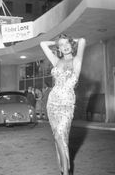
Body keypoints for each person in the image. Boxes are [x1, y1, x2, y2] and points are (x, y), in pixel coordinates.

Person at [40, 34, 86, 175]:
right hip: (52, 103)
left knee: (60, 135)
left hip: (66, 104)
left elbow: (82, 40)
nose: (65, 46)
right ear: (58, 48)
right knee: (58, 138)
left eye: (67, 44)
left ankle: (66, 172)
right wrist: (57, 42)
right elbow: (42, 43)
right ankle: (63, 169)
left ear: (71, 44)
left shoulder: (76, 59)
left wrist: (71, 41)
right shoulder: (56, 61)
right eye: (61, 45)